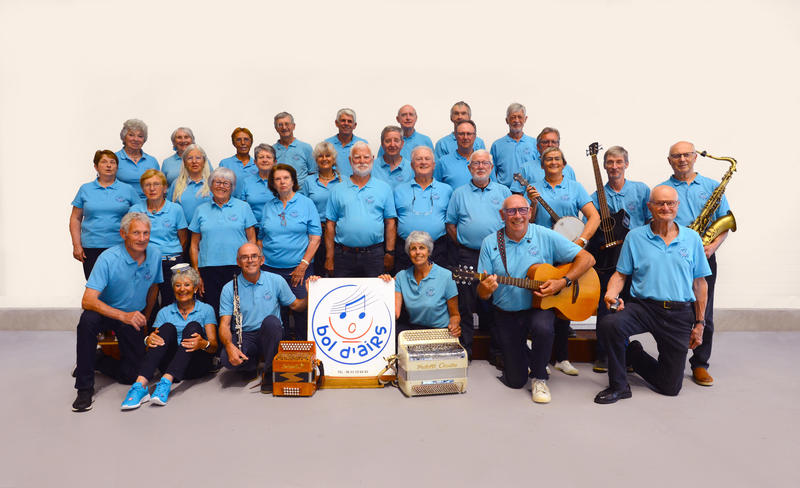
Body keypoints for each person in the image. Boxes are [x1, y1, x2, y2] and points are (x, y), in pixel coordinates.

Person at [594, 185, 711, 404]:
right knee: (610, 324)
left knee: (670, 387)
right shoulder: (635, 237)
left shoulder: (692, 238)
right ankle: (619, 385)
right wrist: (611, 294)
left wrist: (700, 323)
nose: (665, 207)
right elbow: (620, 275)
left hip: (678, 312)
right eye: (659, 203)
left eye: (670, 203)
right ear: (650, 207)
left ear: (677, 206)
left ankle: (634, 355)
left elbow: (700, 283)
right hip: (643, 307)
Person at [477, 195, 595, 404]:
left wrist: (563, 282)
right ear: (502, 215)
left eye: (522, 210)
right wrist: (486, 289)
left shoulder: (545, 235)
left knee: (543, 328)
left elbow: (587, 258)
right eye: (511, 211)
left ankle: (539, 377)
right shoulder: (490, 243)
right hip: (507, 312)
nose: (517, 216)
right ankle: (531, 356)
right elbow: (482, 294)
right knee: (514, 381)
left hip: (538, 308)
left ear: (530, 213)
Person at [71, 212, 163, 412]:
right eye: (136, 233)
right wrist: (123, 315)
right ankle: (84, 388)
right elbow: (87, 300)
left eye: (146, 233)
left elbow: (154, 287)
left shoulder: (155, 254)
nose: (142, 238)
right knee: (87, 321)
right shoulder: (108, 258)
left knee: (133, 375)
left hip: (132, 315)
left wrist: (145, 316)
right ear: (123, 234)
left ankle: (99, 360)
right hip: (106, 312)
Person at [523, 146, 600, 376]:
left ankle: (562, 357)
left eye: (557, 159)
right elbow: (529, 220)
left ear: (564, 163)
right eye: (548, 159)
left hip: (568, 251)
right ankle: (539, 357)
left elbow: (593, 216)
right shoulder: (535, 187)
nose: (553, 162)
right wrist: (533, 203)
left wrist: (583, 240)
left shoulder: (574, 187)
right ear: (542, 164)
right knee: (541, 300)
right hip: (543, 251)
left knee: (567, 300)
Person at [660, 141, 731, 387]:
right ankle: (669, 358)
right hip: (675, 257)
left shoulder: (712, 187)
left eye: (686, 155)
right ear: (669, 160)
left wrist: (712, 247)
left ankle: (700, 364)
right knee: (673, 310)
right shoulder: (663, 189)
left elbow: (724, 222)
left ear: (694, 157)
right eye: (676, 156)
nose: (682, 159)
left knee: (705, 313)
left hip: (705, 253)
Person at [588, 146, 651, 373]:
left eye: (618, 162)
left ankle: (627, 354)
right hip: (609, 259)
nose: (614, 166)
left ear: (626, 163)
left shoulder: (641, 190)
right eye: (610, 162)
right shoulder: (596, 197)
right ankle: (604, 355)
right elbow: (593, 229)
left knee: (631, 306)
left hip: (637, 256)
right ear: (604, 165)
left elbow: (651, 220)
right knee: (607, 305)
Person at [120, 266, 218, 409]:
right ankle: (139, 386)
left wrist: (203, 344)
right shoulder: (164, 312)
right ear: (173, 289)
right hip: (168, 364)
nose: (182, 289)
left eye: (187, 284)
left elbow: (214, 346)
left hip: (195, 364)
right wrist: (148, 340)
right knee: (167, 327)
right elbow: (154, 345)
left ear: (195, 288)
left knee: (193, 326)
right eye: (177, 285)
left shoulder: (206, 309)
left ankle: (165, 383)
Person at [218, 243, 312, 393]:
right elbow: (224, 324)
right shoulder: (229, 288)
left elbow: (297, 306)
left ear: (262, 260)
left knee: (272, 322)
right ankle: (251, 364)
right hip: (246, 335)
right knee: (226, 360)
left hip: (270, 333)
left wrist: (309, 294)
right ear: (238, 262)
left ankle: (269, 372)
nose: (250, 260)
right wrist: (229, 346)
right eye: (244, 257)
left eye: (254, 256)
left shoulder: (276, 280)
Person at [445, 151, 511, 359]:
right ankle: (466, 348)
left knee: (496, 301)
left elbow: (512, 221)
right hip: (467, 255)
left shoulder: (504, 191)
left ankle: (497, 351)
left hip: (497, 254)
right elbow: (451, 224)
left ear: (491, 167)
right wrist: (465, 243)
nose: (480, 166)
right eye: (476, 163)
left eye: (485, 163)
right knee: (465, 303)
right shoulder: (459, 193)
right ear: (469, 168)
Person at [258, 164, 321, 340]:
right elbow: (260, 238)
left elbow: (315, 238)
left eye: (286, 178)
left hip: (299, 268)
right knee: (276, 314)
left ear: (293, 180)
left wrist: (304, 264)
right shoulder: (268, 206)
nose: (282, 182)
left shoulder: (306, 203)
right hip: (270, 269)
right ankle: (278, 356)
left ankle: (303, 356)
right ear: (273, 184)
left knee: (302, 313)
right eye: (277, 179)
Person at [188, 167, 257, 316]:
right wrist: (196, 271)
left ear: (232, 187)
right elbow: (194, 245)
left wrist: (252, 265)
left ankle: (235, 339)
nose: (221, 186)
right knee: (212, 308)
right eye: (217, 182)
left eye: (226, 183)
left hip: (238, 267)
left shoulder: (243, 207)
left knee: (238, 309)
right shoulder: (200, 210)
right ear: (211, 185)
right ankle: (214, 340)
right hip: (208, 268)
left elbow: (252, 239)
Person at [325, 142, 397, 277]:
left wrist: (390, 252)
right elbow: (330, 225)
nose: (362, 161)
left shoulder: (384, 188)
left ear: (372, 159)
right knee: (344, 297)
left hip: (375, 255)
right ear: (350, 160)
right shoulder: (337, 190)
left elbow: (390, 223)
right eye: (357, 157)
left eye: (366, 157)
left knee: (375, 297)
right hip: (343, 256)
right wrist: (329, 257)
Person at [70, 150, 139, 279]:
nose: (109, 165)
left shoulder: (127, 190)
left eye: (112, 162)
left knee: (119, 287)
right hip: (91, 247)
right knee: (95, 288)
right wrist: (76, 245)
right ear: (96, 166)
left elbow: (140, 217)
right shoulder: (85, 189)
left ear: (117, 167)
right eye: (104, 162)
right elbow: (75, 218)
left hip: (120, 246)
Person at [380, 231, 460, 337]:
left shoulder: (446, 276)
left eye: (422, 247)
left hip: (441, 331)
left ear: (429, 251)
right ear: (409, 253)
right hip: (415, 332)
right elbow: (395, 314)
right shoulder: (401, 277)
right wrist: (381, 285)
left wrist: (454, 326)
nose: (418, 252)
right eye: (413, 249)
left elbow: (455, 315)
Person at [131, 169, 188, 307]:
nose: (152, 188)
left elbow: (183, 239)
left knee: (172, 302)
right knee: (145, 303)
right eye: (147, 185)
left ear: (165, 188)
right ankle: (148, 328)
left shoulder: (176, 209)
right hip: (144, 262)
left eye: (156, 184)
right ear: (142, 189)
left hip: (172, 262)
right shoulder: (135, 210)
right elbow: (130, 240)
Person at [393, 146, 453, 270]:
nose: (423, 162)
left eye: (427, 159)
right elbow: (392, 223)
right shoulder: (398, 190)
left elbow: (451, 222)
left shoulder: (446, 190)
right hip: (406, 252)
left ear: (433, 164)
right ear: (412, 164)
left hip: (438, 251)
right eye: (419, 159)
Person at [300, 141, 343, 276]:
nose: (324, 159)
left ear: (334, 159)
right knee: (317, 274)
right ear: (315, 160)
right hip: (315, 232)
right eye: (320, 156)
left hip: (339, 233)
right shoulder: (308, 181)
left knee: (338, 272)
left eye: (328, 156)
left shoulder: (345, 181)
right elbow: (303, 208)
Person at [510, 127, 576, 193]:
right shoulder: (525, 168)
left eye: (553, 142)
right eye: (545, 142)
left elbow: (574, 194)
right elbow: (517, 197)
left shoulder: (568, 170)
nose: (550, 145)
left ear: (558, 145)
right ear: (538, 147)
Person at [490, 103, 539, 188]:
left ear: (525, 119)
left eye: (520, 117)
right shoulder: (496, 145)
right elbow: (491, 172)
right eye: (513, 117)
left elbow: (539, 169)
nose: (516, 120)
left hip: (528, 194)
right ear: (507, 120)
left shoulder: (535, 144)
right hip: (504, 193)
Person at [435, 120, 494, 190]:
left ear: (475, 136)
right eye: (461, 134)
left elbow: (494, 187)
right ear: (456, 136)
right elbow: (436, 189)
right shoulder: (443, 162)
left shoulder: (486, 161)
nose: (465, 137)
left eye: (469, 134)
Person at [167, 144, 213, 223]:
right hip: (182, 232)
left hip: (206, 232)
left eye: (198, 158)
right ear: (184, 162)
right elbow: (169, 209)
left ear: (204, 161)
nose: (194, 161)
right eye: (190, 158)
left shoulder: (212, 184)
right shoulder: (176, 183)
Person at [115, 119, 159, 200]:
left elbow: (159, 187)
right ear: (124, 138)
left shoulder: (152, 161)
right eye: (131, 135)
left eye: (140, 136)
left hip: (148, 205)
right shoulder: (114, 159)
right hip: (122, 203)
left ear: (144, 140)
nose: (136, 139)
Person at [273, 112, 315, 184]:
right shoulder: (271, 151)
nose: (284, 127)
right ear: (276, 128)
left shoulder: (306, 148)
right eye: (280, 125)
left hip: (302, 193)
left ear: (293, 126)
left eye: (287, 124)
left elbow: (313, 173)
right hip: (279, 194)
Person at [324, 108, 367, 177]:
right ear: (336, 123)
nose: (346, 123)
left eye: (349, 121)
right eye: (343, 120)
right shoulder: (327, 144)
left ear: (355, 125)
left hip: (356, 186)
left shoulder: (363, 144)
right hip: (333, 186)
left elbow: (367, 169)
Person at [242, 143, 277, 224]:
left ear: (275, 162)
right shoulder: (247, 182)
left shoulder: (281, 181)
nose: (265, 160)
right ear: (255, 162)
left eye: (268, 157)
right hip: (253, 227)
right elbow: (243, 208)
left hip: (277, 228)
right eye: (261, 157)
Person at [219, 127, 257, 199]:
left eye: (246, 139)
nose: (243, 143)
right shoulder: (225, 164)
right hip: (231, 207)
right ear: (234, 143)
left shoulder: (258, 165)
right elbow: (219, 188)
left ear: (251, 142)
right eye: (239, 140)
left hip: (253, 207)